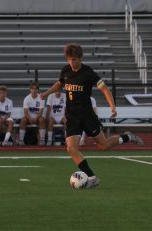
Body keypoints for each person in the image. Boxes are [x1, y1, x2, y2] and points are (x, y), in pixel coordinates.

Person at [41, 43, 144, 189]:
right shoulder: (66, 70)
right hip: (72, 117)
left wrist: (112, 106)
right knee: (71, 148)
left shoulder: (88, 72)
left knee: (104, 145)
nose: (72, 62)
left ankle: (127, 136)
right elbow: (59, 84)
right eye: (69, 59)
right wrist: (46, 94)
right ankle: (91, 177)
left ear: (81, 58)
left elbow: (105, 89)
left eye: (74, 59)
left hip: (87, 116)